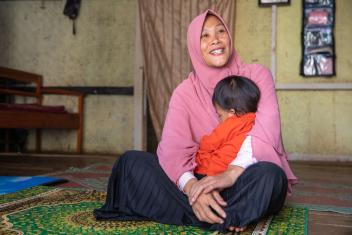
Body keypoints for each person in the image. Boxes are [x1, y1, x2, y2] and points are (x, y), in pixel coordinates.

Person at [94, 9, 297, 233]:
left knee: (271, 176)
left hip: (240, 178)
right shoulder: (184, 92)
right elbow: (172, 150)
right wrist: (193, 189)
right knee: (130, 163)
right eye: (205, 36)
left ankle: (201, 214)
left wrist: (230, 174)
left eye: (221, 32)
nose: (216, 40)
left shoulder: (257, 76)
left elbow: (267, 130)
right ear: (194, 45)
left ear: (229, 37)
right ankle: (226, 216)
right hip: (197, 179)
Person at [190, 75, 260, 204]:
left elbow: (209, 143)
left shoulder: (232, 123)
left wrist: (201, 143)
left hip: (214, 172)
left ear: (232, 112)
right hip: (234, 174)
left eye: (219, 115)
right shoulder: (254, 121)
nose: (219, 120)